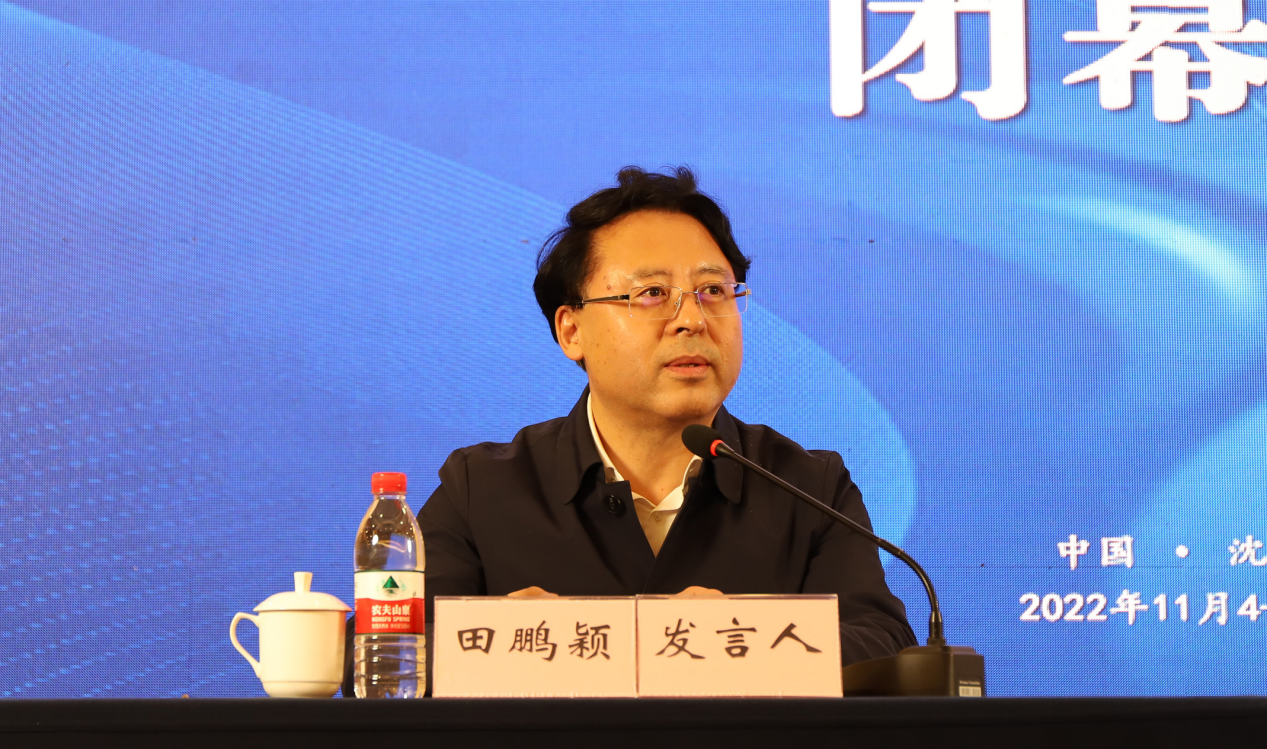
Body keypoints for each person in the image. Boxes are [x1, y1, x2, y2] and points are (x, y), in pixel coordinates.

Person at [344, 167, 915, 695]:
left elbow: (886, 649)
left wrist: (739, 639)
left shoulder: (808, 487)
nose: (692, 319)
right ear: (572, 331)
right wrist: (514, 641)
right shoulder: (484, 487)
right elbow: (371, 656)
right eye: (652, 294)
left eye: (714, 291)